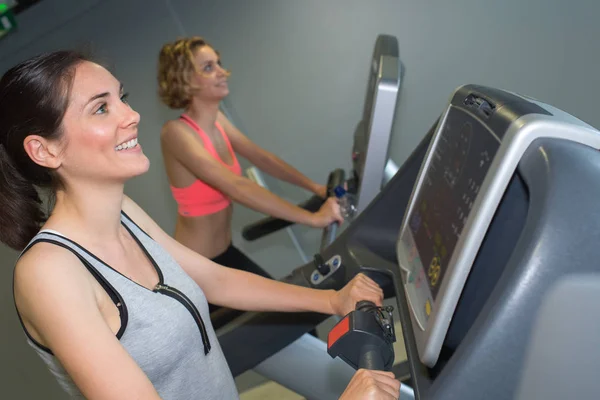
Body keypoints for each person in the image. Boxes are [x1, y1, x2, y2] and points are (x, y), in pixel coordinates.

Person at [0, 51, 400, 399]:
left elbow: (214, 281)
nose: (133, 115)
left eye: (122, 98)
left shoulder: (126, 213)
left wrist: (332, 300)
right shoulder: (49, 273)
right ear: (44, 149)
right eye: (102, 108)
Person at [157, 36, 342, 285]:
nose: (223, 72)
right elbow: (236, 186)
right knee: (286, 315)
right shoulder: (176, 133)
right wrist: (313, 219)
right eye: (209, 67)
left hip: (226, 254)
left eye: (219, 63)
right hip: (195, 270)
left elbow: (262, 158)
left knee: (289, 311)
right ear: (185, 80)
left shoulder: (218, 121)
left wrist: (315, 187)